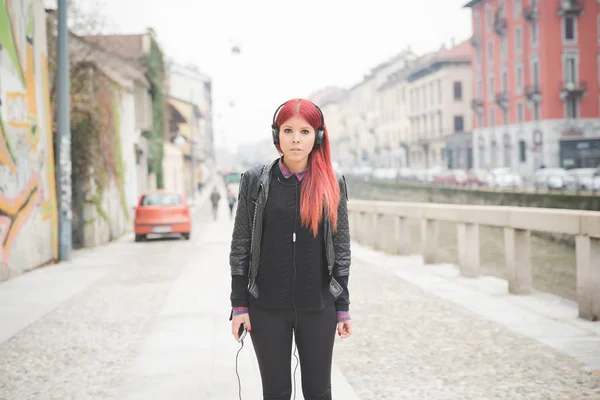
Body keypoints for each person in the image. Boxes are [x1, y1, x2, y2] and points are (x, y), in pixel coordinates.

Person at [228, 99, 352, 400]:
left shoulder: (332, 184)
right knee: (276, 392)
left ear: (318, 137)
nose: (296, 139)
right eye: (288, 130)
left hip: (318, 306)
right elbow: (241, 244)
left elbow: (342, 247)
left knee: (319, 392)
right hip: (267, 307)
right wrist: (239, 305)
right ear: (277, 135)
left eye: (305, 131)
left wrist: (342, 306)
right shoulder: (255, 181)